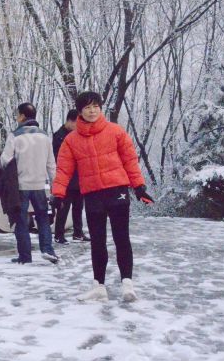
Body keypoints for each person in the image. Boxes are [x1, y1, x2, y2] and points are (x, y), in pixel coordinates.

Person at [52, 92, 154, 302]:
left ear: (101, 108)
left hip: (117, 190)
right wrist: (58, 194)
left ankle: (127, 284)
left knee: (121, 238)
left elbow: (130, 160)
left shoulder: (115, 131)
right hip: (92, 195)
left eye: (96, 106)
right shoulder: (71, 141)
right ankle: (99, 287)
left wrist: (139, 186)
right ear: (80, 111)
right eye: (88, 107)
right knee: (97, 242)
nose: (92, 111)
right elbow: (63, 170)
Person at [0, 102, 58, 264]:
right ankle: (48, 250)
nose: (17, 118)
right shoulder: (45, 136)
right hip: (39, 186)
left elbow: (5, 160)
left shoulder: (15, 136)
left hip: (20, 186)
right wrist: (55, 187)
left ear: (23, 116)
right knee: (43, 219)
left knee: (21, 221)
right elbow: (51, 165)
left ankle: (25, 257)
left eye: (18, 115)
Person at [52, 109, 88, 244]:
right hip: (66, 178)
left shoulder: (79, 135)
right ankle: (58, 234)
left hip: (80, 178)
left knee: (78, 207)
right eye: (76, 123)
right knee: (63, 207)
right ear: (70, 121)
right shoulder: (59, 136)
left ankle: (78, 232)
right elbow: (58, 158)